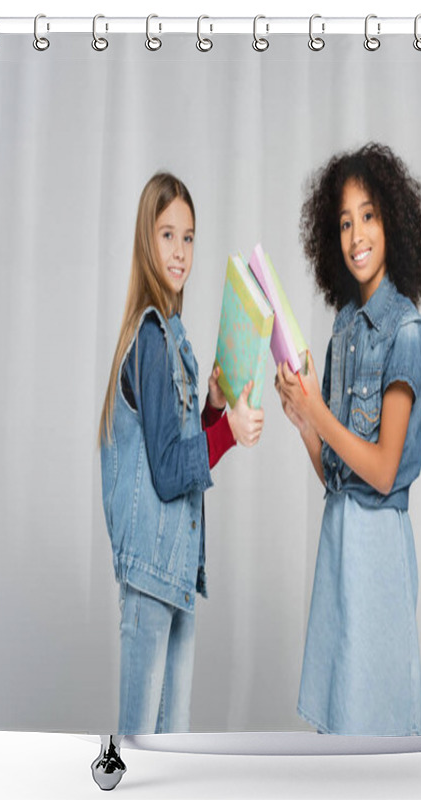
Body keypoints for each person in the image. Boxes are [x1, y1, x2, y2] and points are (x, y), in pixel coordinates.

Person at [275, 143, 421, 735]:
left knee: (377, 721)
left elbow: (384, 470)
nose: (356, 234)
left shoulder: (407, 333)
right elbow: (339, 474)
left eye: (368, 215)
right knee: (339, 725)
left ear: (393, 221)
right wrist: (304, 423)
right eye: (344, 222)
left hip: (377, 548)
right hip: (340, 534)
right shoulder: (344, 326)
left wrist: (318, 411)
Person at [98, 172, 264, 734]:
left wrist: (215, 410)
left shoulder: (171, 334)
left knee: (173, 746)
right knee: (144, 747)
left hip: (173, 572)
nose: (180, 251)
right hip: (151, 574)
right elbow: (170, 473)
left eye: (189, 237)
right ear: (147, 239)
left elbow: (175, 446)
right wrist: (230, 433)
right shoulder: (148, 338)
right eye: (167, 235)